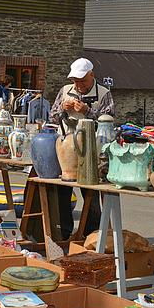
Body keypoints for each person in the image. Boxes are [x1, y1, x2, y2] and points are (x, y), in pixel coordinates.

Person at [49, 58, 115, 238]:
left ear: (91, 75)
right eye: (75, 81)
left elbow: (108, 120)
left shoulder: (103, 93)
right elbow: (53, 118)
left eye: (82, 80)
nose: (78, 85)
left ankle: (91, 232)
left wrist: (87, 111)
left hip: (91, 148)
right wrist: (62, 108)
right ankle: (64, 232)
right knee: (63, 190)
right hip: (67, 147)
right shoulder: (65, 91)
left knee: (90, 191)